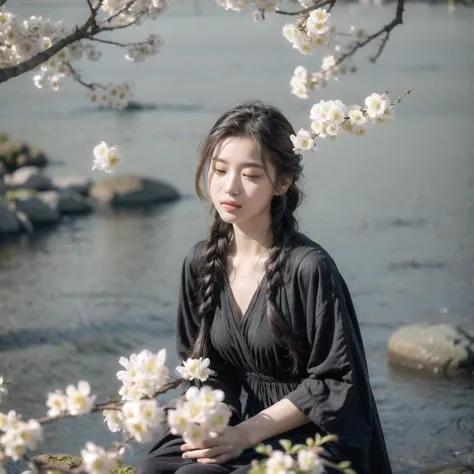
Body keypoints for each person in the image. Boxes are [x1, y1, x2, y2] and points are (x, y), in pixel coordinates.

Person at [136, 101, 392, 474]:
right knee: (153, 468)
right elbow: (205, 369)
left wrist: (244, 435)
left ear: (282, 183)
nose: (230, 187)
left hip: (310, 436)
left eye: (251, 175)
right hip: (239, 424)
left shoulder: (309, 268)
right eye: (220, 170)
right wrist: (214, 417)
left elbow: (335, 384)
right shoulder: (201, 263)